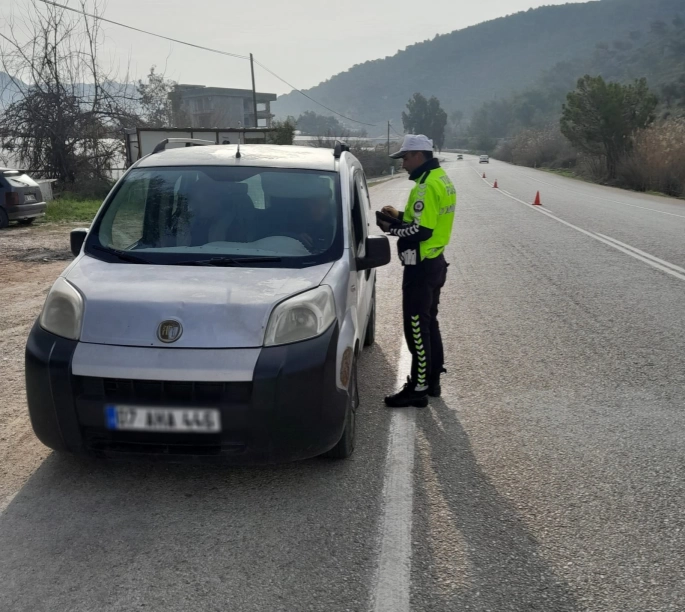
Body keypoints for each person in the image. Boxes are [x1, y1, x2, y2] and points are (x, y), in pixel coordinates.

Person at [376, 134, 456, 408]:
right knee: (429, 323)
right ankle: (432, 380)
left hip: (420, 266)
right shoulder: (441, 180)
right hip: (435, 262)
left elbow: (421, 231)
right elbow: (425, 219)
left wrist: (391, 228)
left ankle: (418, 387)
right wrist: (399, 215)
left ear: (419, 156)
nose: (403, 165)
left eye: (405, 158)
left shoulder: (424, 187)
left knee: (416, 328)